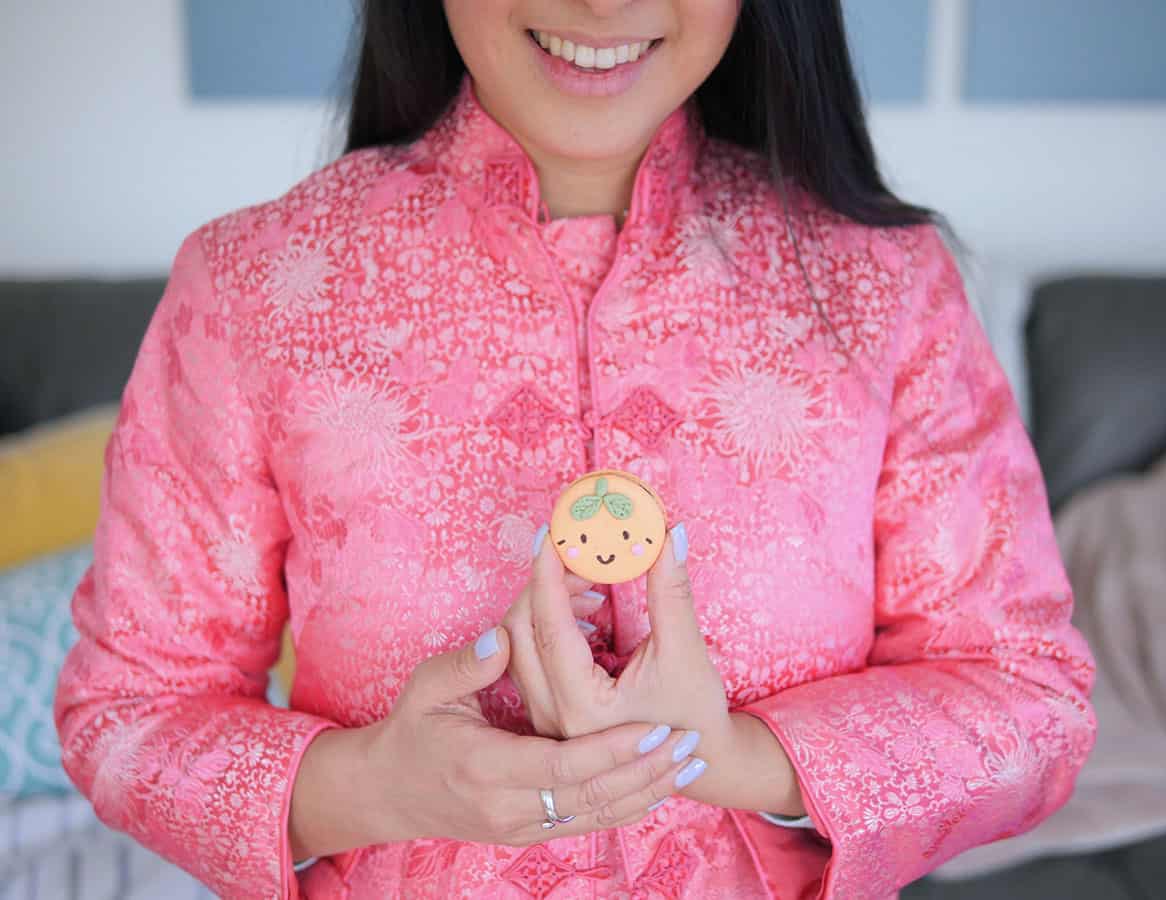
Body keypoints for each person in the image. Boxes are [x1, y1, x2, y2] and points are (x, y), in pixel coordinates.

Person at [54, 1, 1098, 897]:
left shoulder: (887, 287)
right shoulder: (254, 286)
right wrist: (378, 784)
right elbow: (128, 711)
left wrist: (738, 758)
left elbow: (1029, 703)